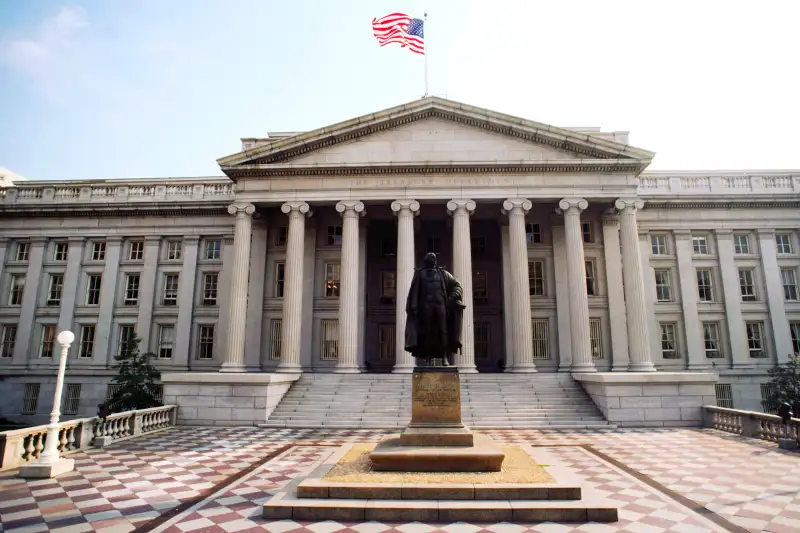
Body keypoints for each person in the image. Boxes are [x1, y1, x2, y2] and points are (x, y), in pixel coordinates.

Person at [404, 252, 465, 366]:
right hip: (426, 306)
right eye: (432, 259)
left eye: (435, 259)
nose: (435, 260)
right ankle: (428, 358)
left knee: (443, 331)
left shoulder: (443, 273)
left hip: (441, 305)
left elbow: (457, 285)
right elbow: (415, 291)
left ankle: (444, 358)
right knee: (427, 332)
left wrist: (452, 298)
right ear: (427, 261)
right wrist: (414, 307)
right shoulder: (420, 274)